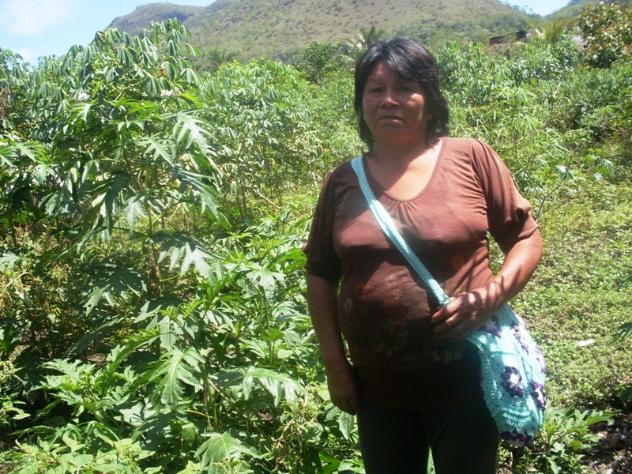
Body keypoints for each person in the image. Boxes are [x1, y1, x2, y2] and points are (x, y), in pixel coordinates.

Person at [304, 38, 543, 474]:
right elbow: (320, 274)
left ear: (430, 101)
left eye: (404, 87)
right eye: (375, 89)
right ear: (361, 103)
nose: (388, 99)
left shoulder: (470, 158)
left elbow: (525, 237)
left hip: (468, 382)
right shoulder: (342, 181)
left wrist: (489, 298)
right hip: (378, 392)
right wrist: (334, 365)